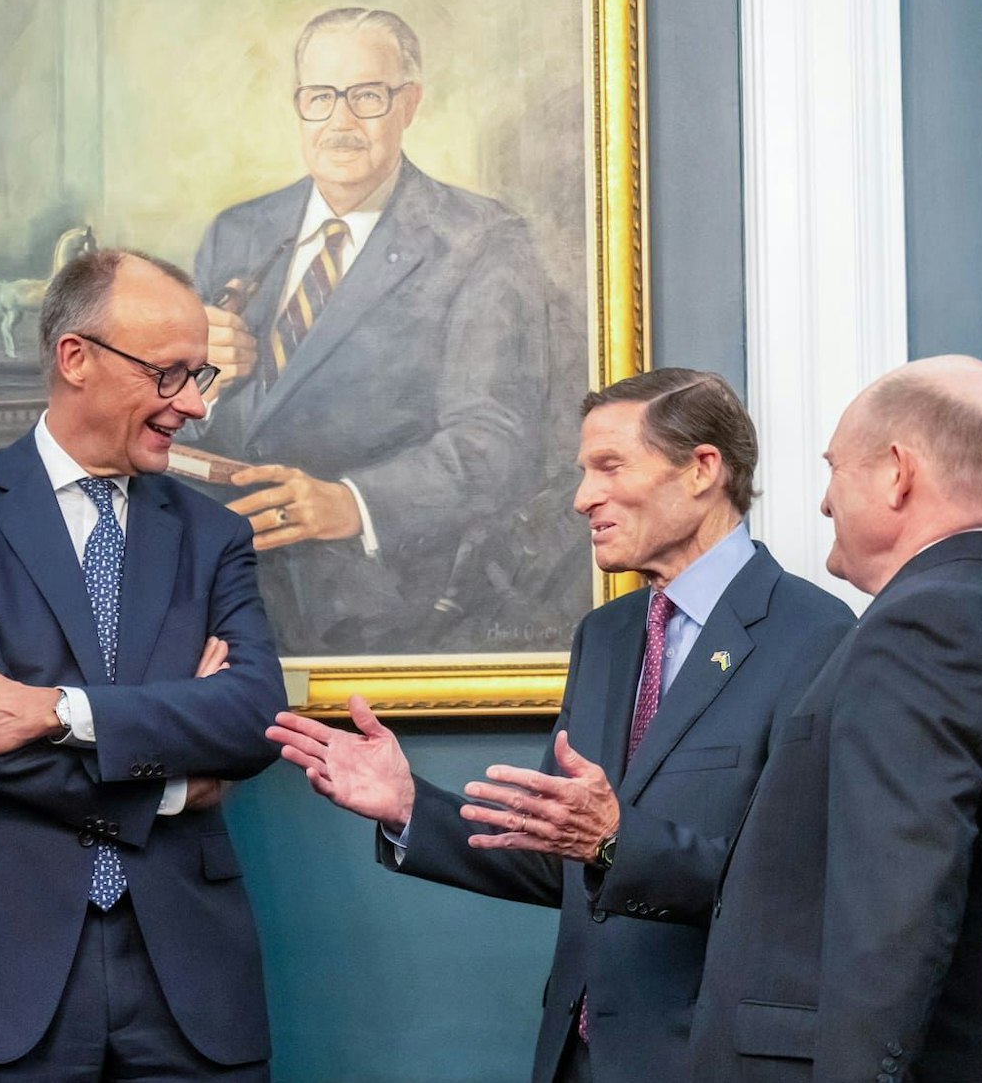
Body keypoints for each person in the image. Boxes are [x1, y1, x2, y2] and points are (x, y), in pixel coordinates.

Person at [266, 369, 852, 1083]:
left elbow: (797, 885)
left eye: (609, 466)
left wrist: (615, 838)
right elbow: (558, 852)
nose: (582, 498)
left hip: (707, 1059)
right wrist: (410, 805)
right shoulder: (605, 636)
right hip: (575, 1059)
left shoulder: (816, 636)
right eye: (582, 472)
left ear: (703, 468)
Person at [0, 249, 289, 1080]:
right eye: (169, 373)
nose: (192, 403)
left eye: (199, 376)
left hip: (185, 973)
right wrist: (172, 781)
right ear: (76, 357)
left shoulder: (214, 535)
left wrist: (53, 710)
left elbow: (253, 714)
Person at [684, 356, 982, 1083]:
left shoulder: (925, 624)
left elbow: (893, 923)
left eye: (834, 469)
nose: (824, 503)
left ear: (898, 474)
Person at [188, 6, 571, 655]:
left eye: (367, 95)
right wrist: (202, 383)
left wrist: (352, 502)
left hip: (386, 607)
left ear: (410, 103)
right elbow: (173, 420)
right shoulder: (238, 232)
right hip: (219, 598)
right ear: (298, 105)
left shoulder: (481, 241)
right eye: (320, 97)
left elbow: (495, 443)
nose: (340, 121)